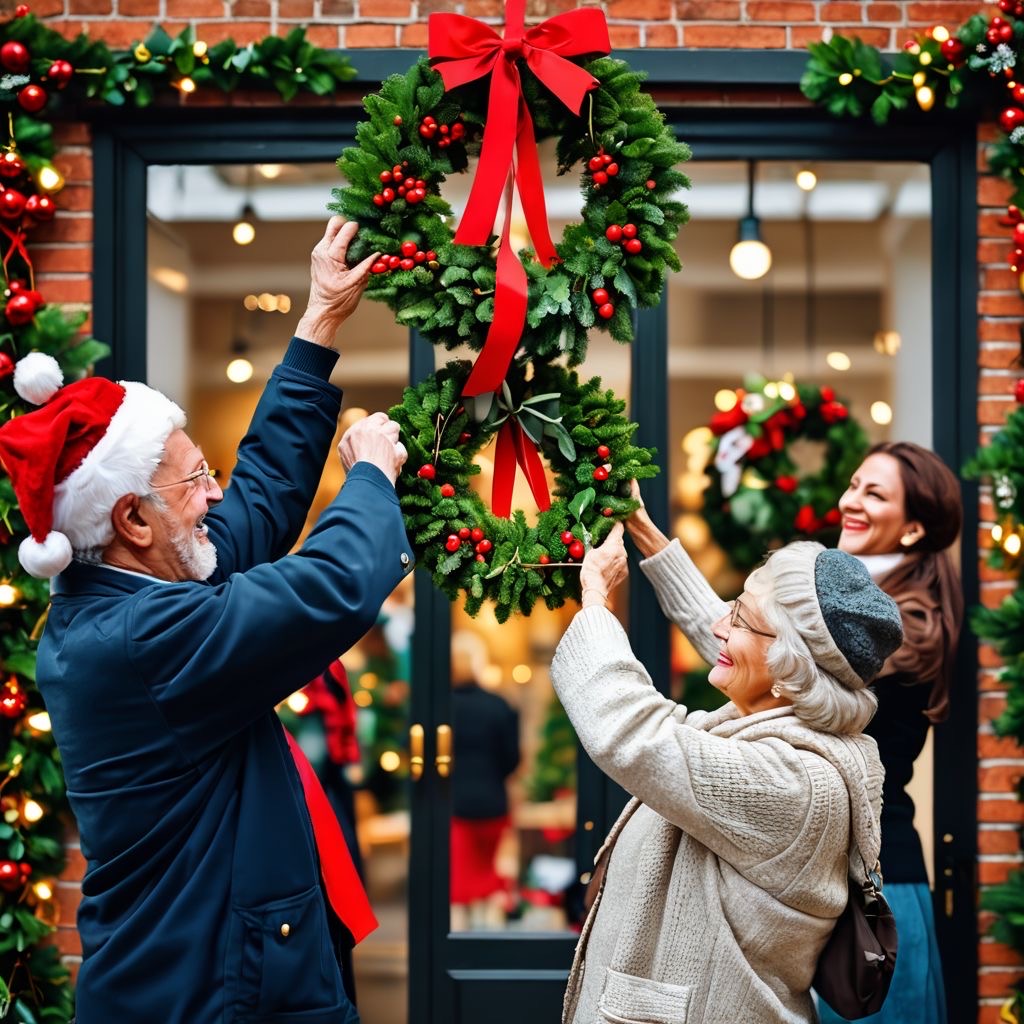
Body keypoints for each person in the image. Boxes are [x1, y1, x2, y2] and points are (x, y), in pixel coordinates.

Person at [0, 217, 412, 1024]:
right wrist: (369, 481)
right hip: (210, 995)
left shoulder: (142, 582)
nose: (215, 494)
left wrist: (320, 319)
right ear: (133, 519)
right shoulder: (141, 640)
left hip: (220, 974)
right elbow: (325, 591)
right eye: (195, 480)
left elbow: (257, 500)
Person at [551, 519, 904, 1024]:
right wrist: (645, 531)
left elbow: (631, 732)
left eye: (738, 616)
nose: (721, 624)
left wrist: (594, 601)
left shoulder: (794, 784)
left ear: (789, 670)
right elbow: (736, 637)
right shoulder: (787, 721)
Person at [820, 441, 963, 1024]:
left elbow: (782, 675)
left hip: (875, 894)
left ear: (911, 529)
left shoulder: (894, 621)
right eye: (853, 484)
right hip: (843, 884)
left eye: (873, 493)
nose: (850, 500)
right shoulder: (852, 597)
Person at [449, 644, 521, 930]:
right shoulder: (499, 705)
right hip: (493, 803)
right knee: (488, 877)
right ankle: (488, 946)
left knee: (459, 885)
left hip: (454, 806)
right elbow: (512, 758)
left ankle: (458, 950)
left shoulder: (439, 706)